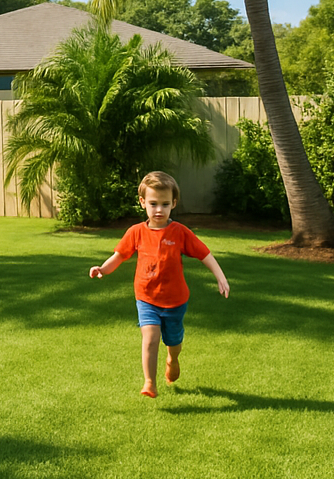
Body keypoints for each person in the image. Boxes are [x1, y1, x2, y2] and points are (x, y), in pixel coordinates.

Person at [89, 170, 230, 398]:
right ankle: (149, 382)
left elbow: (205, 254)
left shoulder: (180, 232)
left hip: (175, 301)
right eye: (153, 203)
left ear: (173, 204)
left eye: (165, 204)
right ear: (143, 202)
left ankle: (172, 359)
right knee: (150, 337)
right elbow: (120, 256)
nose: (158, 210)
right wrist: (103, 269)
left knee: (173, 343)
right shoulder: (136, 232)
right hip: (146, 298)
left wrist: (220, 277)